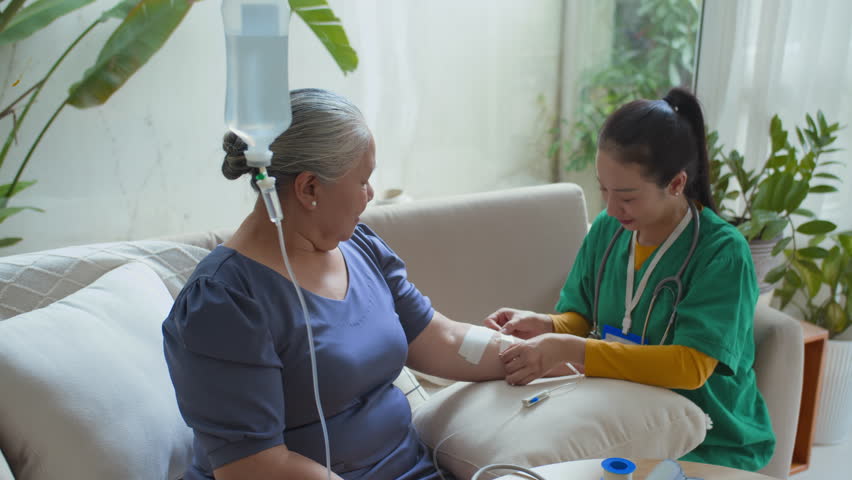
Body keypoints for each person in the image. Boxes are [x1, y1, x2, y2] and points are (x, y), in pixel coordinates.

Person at [162, 88, 508, 480]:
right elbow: (255, 467)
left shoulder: (359, 245)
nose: (371, 194)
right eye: (363, 180)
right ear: (309, 188)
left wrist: (533, 354)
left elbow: (437, 338)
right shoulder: (223, 303)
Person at [484, 87, 775, 472]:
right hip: (623, 418)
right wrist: (545, 326)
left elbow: (689, 367)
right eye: (604, 189)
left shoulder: (722, 252)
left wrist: (569, 349)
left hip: (708, 439)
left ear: (676, 184)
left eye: (626, 196)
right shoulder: (608, 230)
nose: (610, 207)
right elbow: (581, 317)